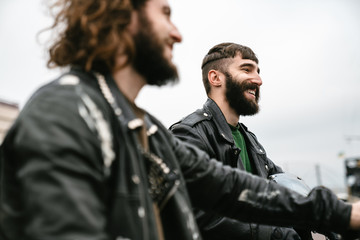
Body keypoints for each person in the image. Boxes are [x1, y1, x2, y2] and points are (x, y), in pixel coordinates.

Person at [1, 0, 360, 240]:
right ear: (121, 17)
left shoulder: (147, 130)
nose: (178, 33)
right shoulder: (65, 110)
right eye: (166, 13)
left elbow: (232, 189)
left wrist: (342, 215)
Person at [169, 42, 308, 239]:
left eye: (258, 71)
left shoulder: (250, 140)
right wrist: (275, 233)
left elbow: (283, 188)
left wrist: (325, 216)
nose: (258, 80)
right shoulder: (190, 134)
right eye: (246, 69)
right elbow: (197, 213)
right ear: (215, 78)